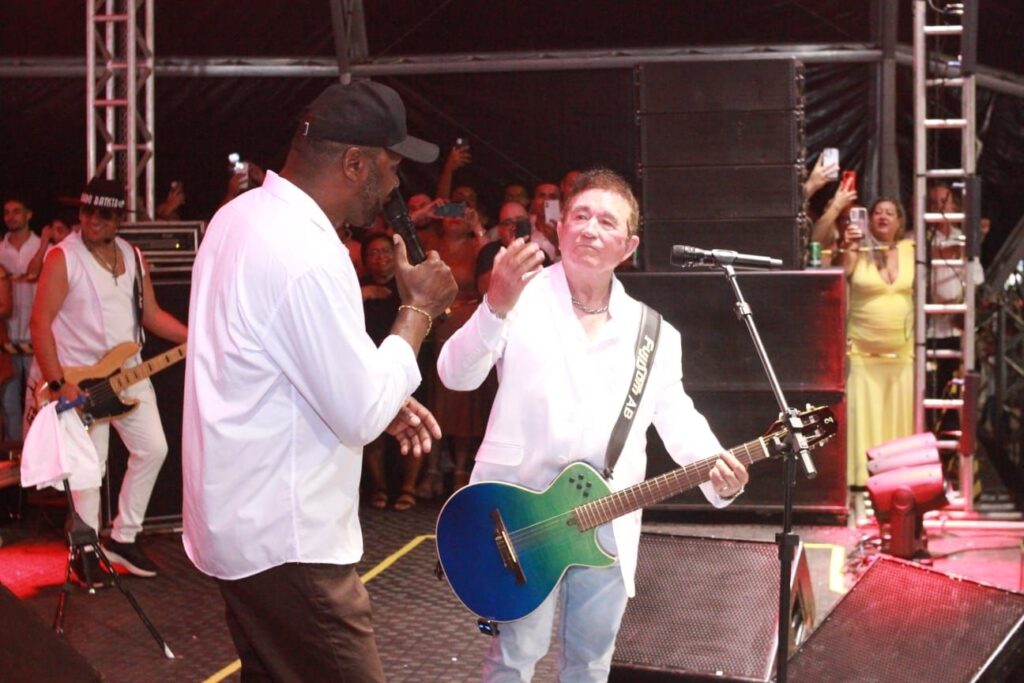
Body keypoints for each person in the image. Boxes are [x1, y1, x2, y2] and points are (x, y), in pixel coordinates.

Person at [181, 79, 457, 682]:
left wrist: (381, 388)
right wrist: (417, 312)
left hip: (241, 526)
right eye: (391, 168)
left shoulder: (238, 218)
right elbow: (357, 414)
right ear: (355, 164)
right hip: (289, 543)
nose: (394, 187)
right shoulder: (305, 252)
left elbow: (278, 353)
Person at [437, 168, 749, 681]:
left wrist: (719, 472)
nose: (590, 229)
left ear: (629, 246)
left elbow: (678, 417)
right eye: (580, 216)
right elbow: (455, 375)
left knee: (589, 662)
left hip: (607, 519)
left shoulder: (654, 332)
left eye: (607, 222)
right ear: (559, 229)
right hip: (517, 515)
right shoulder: (519, 297)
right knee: (514, 658)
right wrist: (494, 306)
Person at [29, 177, 189, 581]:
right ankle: (84, 551)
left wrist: (193, 336)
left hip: (130, 370)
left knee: (154, 449)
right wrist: (58, 382)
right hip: (82, 381)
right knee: (90, 467)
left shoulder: (133, 255)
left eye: (103, 213)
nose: (92, 219)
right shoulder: (63, 257)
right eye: (86, 211)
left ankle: (123, 537)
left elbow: (151, 315)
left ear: (119, 219)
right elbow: (39, 322)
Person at [841, 197, 914, 498]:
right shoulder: (857, 249)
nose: (883, 216)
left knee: (900, 422)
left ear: (900, 221)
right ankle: (860, 484)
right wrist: (849, 247)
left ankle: (897, 481)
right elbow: (842, 274)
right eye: (877, 213)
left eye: (890, 212)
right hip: (862, 353)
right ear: (868, 220)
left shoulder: (911, 250)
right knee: (862, 420)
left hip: (902, 355)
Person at [359, 231, 426, 511]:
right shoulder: (355, 286)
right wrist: (364, 294)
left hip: (409, 362)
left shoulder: (407, 285)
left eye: (386, 252)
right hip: (369, 363)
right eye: (373, 253)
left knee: (413, 422)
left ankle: (408, 486)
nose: (380, 258)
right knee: (374, 421)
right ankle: (379, 486)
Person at [0, 196, 41, 441]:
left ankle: (34, 451)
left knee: (36, 399)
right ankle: (14, 452)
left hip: (35, 335)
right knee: (9, 402)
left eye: (16, 211)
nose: (11, 216)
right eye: (7, 212)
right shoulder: (0, 249)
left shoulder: (42, 247)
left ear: (29, 214)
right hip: (6, 335)